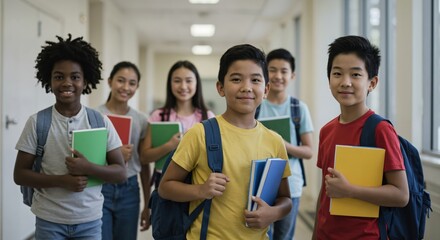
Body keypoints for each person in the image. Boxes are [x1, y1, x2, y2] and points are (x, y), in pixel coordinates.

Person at [158, 44, 292, 239]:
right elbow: (165, 187)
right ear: (220, 87)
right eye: (236, 79)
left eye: (255, 80)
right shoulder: (200, 134)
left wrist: (274, 213)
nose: (246, 87)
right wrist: (200, 190)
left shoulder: (275, 141)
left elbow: (285, 198)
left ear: (266, 89)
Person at [13, 34, 126, 240]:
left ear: (85, 81)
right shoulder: (37, 123)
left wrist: (88, 168)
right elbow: (20, 175)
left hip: (89, 221)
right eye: (59, 76)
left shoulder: (100, 122)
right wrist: (61, 181)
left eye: (75, 77)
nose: (67, 83)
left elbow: (120, 172)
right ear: (49, 80)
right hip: (49, 220)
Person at [312, 35, 409, 240]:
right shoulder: (326, 130)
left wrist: (350, 190)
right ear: (329, 78)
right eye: (337, 73)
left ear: (372, 83)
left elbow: (401, 195)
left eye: (356, 75)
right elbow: (325, 191)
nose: (345, 82)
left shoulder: (380, 129)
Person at [256, 48, 314, 240]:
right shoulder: (255, 106)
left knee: (283, 237)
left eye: (284, 71)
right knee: (260, 235)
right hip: (258, 183)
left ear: (292, 75)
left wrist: (282, 145)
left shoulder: (298, 108)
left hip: (291, 185)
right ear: (265, 73)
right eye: (272, 70)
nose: (278, 76)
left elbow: (308, 151)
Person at [96, 61, 151, 239]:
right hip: (100, 187)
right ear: (110, 81)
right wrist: (112, 154)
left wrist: (147, 203)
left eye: (132, 83)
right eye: (121, 80)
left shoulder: (141, 120)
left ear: (137, 87)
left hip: (129, 189)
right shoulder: (94, 116)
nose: (126, 87)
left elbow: (143, 163)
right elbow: (85, 158)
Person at [141, 60, 215, 188]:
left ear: (197, 83)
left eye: (188, 80)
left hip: (197, 181)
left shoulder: (208, 117)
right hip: (163, 179)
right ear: (170, 84)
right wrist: (170, 145)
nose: (183, 86)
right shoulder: (158, 115)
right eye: (177, 81)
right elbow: (144, 157)